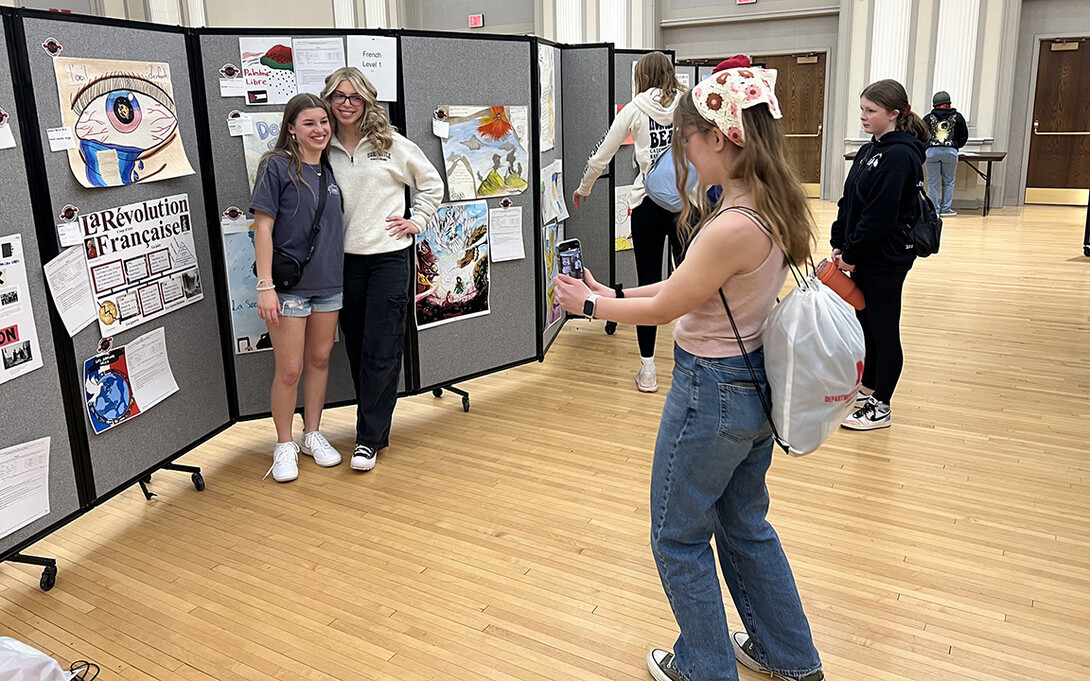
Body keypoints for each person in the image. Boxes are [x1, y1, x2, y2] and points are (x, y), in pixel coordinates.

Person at [556, 66, 823, 681]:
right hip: (751, 386)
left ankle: (704, 668)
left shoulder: (730, 225)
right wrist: (614, 288)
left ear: (722, 139)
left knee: (677, 538)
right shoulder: (769, 204)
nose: (682, 153)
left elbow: (669, 306)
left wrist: (590, 306)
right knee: (745, 527)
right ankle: (791, 656)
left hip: (711, 392)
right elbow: (685, 287)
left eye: (687, 140)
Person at [322, 67, 444, 471]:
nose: (345, 104)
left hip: (388, 258)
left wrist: (417, 220)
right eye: (338, 96)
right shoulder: (323, 145)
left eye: (354, 97)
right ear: (328, 98)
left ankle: (368, 439)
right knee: (356, 346)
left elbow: (432, 184)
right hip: (343, 261)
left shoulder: (390, 144)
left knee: (382, 347)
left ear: (367, 101)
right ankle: (371, 427)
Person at [572, 51, 685, 393]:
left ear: (642, 76)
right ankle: (686, 366)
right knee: (693, 283)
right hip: (685, 205)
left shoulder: (634, 108)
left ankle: (648, 371)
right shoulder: (689, 104)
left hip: (647, 204)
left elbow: (601, 154)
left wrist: (583, 188)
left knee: (647, 283)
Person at [251, 93, 345, 483]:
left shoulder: (333, 168)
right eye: (309, 123)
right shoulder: (276, 167)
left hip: (329, 283)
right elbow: (264, 228)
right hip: (288, 287)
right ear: (291, 127)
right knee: (289, 369)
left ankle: (312, 433)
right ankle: (284, 443)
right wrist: (265, 285)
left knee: (320, 361)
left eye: (324, 122)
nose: (319, 130)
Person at [831, 79, 929, 430]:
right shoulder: (869, 149)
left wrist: (854, 253)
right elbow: (850, 201)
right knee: (866, 325)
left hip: (886, 257)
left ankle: (881, 405)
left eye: (871, 111)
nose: (863, 116)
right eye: (862, 109)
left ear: (894, 114)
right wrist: (840, 242)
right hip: (862, 253)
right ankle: (868, 387)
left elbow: (881, 214)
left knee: (884, 330)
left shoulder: (901, 154)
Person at [923, 90, 968, 216]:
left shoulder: (928, 118)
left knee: (932, 182)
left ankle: (934, 210)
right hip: (950, 151)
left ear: (935, 104)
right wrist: (956, 146)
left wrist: (926, 146)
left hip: (931, 152)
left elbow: (921, 134)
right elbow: (963, 135)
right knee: (949, 181)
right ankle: (946, 209)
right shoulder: (957, 117)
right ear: (948, 104)